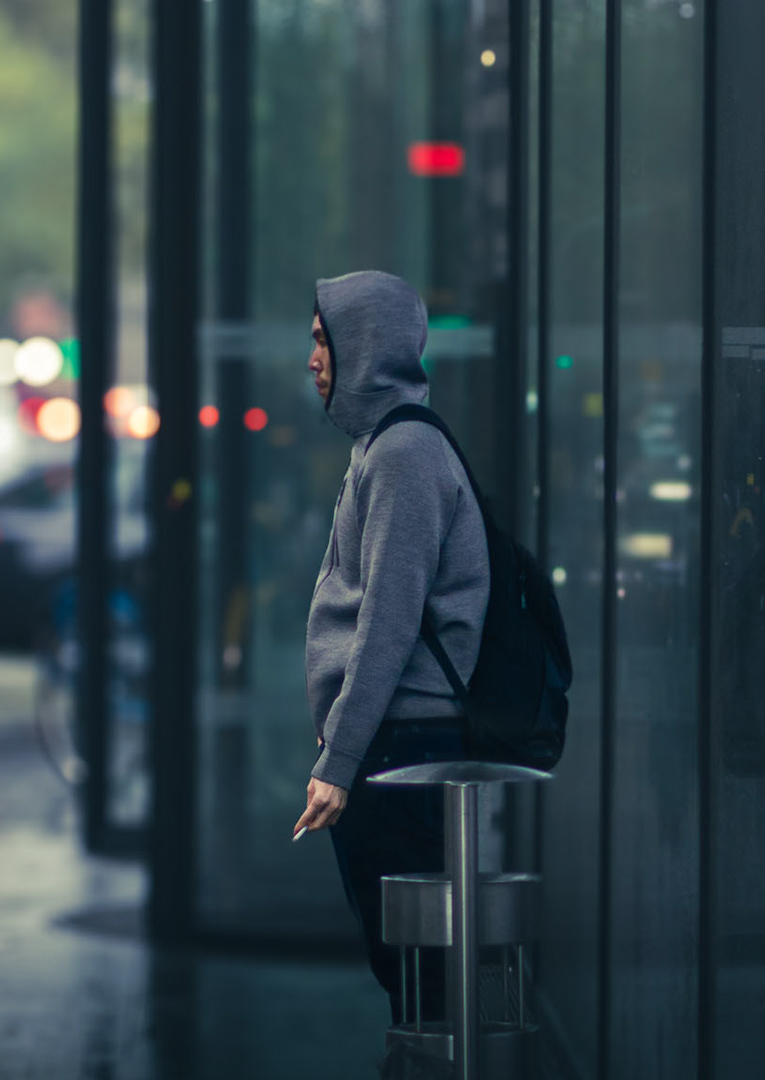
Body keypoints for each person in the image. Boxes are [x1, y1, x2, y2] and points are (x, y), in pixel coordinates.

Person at [291, 271, 490, 1023]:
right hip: (392, 739)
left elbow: (389, 619)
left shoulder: (405, 453)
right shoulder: (385, 445)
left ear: (364, 346)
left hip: (403, 744)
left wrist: (339, 761)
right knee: (407, 967)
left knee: (419, 971)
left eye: (321, 339)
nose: (312, 358)